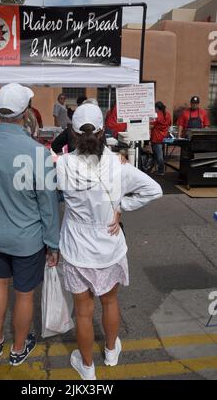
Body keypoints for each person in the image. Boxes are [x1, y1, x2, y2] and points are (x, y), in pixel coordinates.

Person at [56, 103, 162, 380]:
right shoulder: (118, 163)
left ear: (73, 132)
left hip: (76, 246)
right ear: (103, 131)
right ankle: (112, 352)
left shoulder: (63, 164)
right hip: (109, 242)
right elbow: (155, 190)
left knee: (82, 312)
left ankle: (88, 367)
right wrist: (121, 205)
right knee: (110, 302)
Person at [0, 83, 60, 366]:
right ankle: (18, 348)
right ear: (25, 112)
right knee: (24, 293)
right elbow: (48, 205)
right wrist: (52, 243)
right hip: (27, 237)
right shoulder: (36, 152)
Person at [150, 101, 172, 175]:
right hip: (164, 137)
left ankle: (161, 171)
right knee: (161, 154)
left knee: (159, 156)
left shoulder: (156, 115)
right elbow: (169, 125)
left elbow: (152, 126)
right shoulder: (168, 114)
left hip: (156, 138)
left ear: (157, 108)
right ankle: (158, 169)